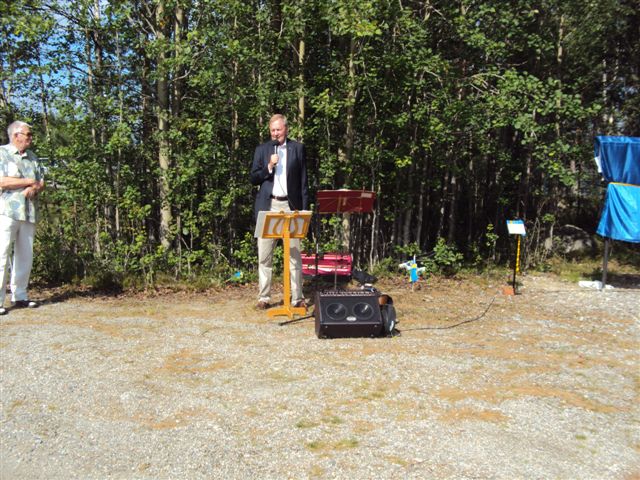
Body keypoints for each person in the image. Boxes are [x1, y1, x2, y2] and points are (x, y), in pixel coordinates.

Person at [250, 114, 309, 310]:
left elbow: (303, 182)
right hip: (269, 206)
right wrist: (269, 166)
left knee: (294, 255)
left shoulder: (298, 148)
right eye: (272, 130)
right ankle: (264, 297)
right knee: (264, 255)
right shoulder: (262, 150)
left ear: (286, 129)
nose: (275, 133)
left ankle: (297, 298)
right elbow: (253, 178)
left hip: (291, 207)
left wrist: (303, 210)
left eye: (278, 129)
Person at [0, 121, 45, 315]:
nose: (30, 138)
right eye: (28, 134)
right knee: (2, 254)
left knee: (25, 255)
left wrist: (35, 187)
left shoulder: (32, 156)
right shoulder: (2, 153)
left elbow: (41, 181)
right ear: (15, 135)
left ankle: (20, 295)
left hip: (28, 212)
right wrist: (28, 181)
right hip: (6, 211)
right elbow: (2, 181)